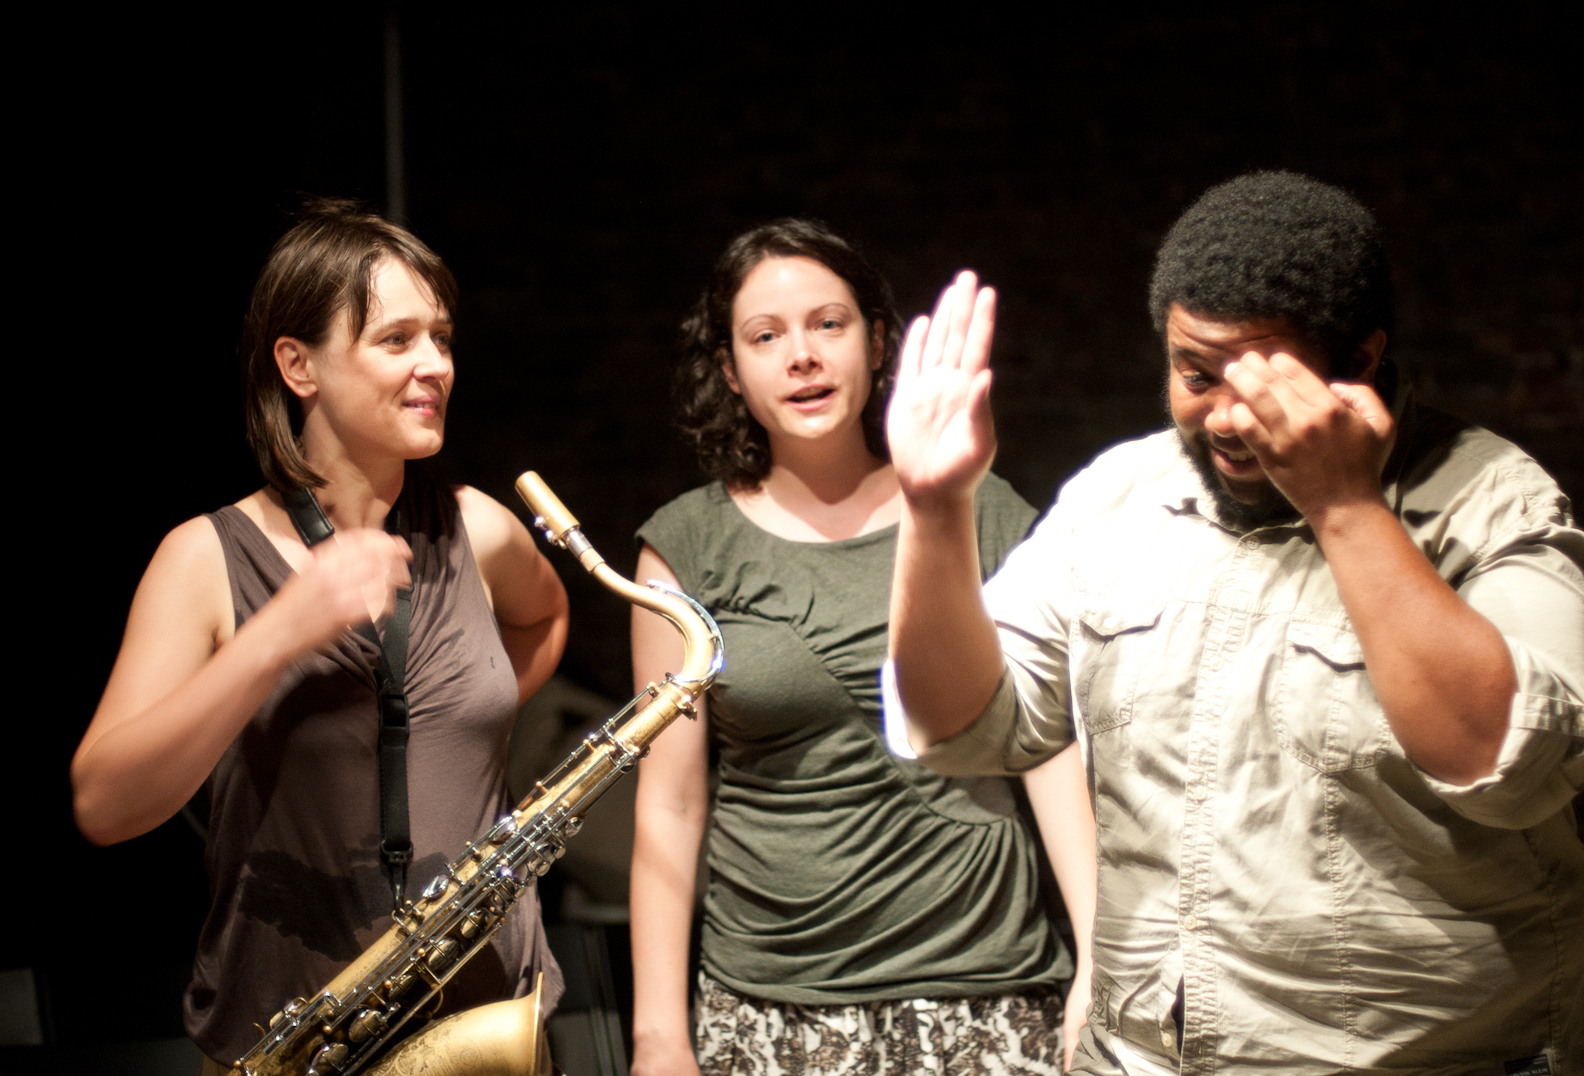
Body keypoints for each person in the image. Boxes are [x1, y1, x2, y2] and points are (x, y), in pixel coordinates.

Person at [885, 173, 1584, 1074]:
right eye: (1195, 372)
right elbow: (962, 724)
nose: (1225, 416)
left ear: (1364, 356)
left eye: (1266, 377)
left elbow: (1511, 771)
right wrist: (935, 508)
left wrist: (1345, 505)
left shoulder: (1494, 502)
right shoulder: (1119, 496)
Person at [70, 200, 570, 1071]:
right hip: (299, 1037)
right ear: (298, 365)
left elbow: (547, 617)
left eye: (442, 339)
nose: (435, 365)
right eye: (397, 340)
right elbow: (105, 807)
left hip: (491, 1025)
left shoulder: (477, 527)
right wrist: (278, 636)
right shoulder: (203, 557)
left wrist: (452, 723)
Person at [630, 219, 1096, 1076]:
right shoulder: (685, 547)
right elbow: (671, 801)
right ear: (731, 372)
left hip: (984, 984)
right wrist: (658, 1032)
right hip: (774, 1000)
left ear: (879, 343)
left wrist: (1099, 967)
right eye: (766, 337)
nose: (801, 355)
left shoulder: (976, 508)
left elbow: (1050, 753)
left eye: (828, 324)